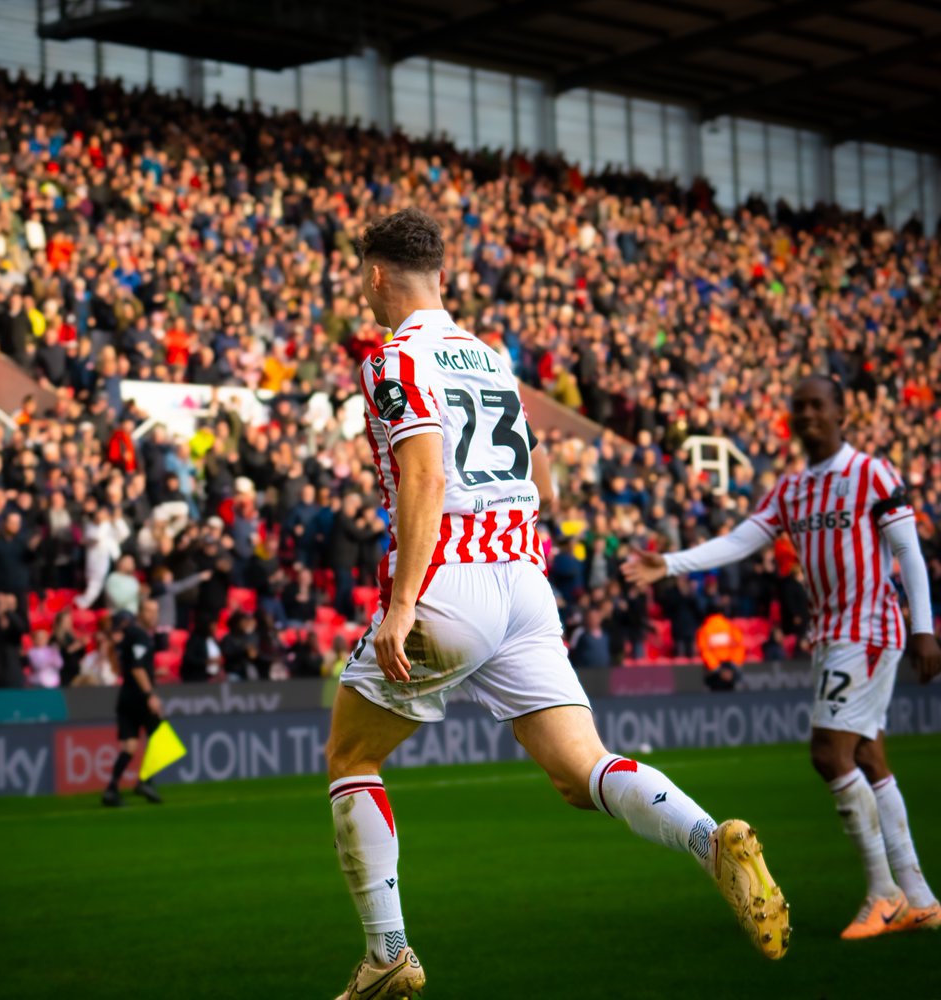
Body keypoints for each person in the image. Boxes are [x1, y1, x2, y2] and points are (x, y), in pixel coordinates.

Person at [325, 209, 789, 1000]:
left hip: (450, 577)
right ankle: (712, 840)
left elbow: (426, 478)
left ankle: (389, 954)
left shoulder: (395, 360)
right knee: (582, 772)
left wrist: (404, 604)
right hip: (525, 583)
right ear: (442, 273)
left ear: (375, 275)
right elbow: (539, 478)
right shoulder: (494, 360)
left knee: (351, 758)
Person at [625, 375, 941, 938]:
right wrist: (668, 563)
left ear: (843, 413)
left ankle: (884, 893)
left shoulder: (870, 473)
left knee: (829, 752)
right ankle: (917, 895)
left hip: (868, 628)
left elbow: (908, 552)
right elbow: (741, 541)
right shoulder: (794, 489)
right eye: (799, 408)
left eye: (819, 405)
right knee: (867, 754)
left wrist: (925, 628)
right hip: (832, 633)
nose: (808, 415)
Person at [101, 601, 165, 806]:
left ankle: (112, 789)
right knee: (162, 738)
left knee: (129, 745)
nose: (154, 615)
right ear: (140, 613)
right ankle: (145, 781)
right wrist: (150, 695)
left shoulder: (128, 638)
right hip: (139, 697)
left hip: (125, 697)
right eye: (149, 610)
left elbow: (123, 666)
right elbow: (137, 668)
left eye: (156, 611)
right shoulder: (140, 635)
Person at [696, 605, 746, 692]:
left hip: (714, 671)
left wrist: (717, 668)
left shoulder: (704, 630)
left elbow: (704, 651)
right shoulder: (730, 627)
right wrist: (733, 665)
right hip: (730, 667)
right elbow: (739, 647)